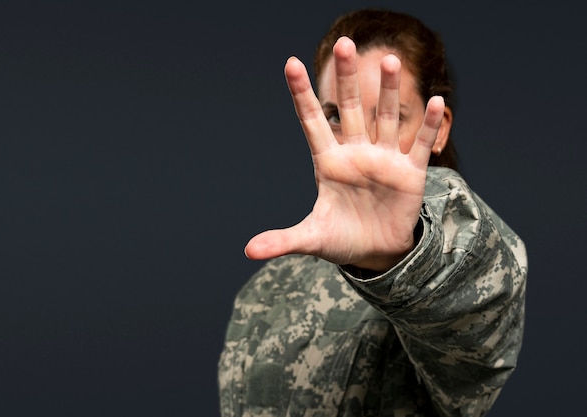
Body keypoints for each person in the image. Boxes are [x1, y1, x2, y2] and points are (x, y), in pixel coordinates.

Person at [218, 8, 527, 417]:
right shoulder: (270, 286)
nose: (357, 143)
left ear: (439, 129)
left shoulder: (459, 250)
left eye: (390, 115)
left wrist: (402, 261)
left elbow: (477, 309)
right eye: (336, 115)